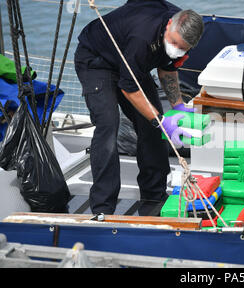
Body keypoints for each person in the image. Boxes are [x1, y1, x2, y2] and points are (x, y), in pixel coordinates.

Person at [74, 0, 204, 216]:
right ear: (169, 25)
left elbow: (167, 68)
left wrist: (179, 106)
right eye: (173, 43)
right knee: (108, 125)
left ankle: (154, 197)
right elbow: (128, 86)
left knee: (151, 128)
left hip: (134, 63)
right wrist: (160, 121)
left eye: (182, 48)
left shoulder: (177, 32)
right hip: (97, 61)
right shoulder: (142, 36)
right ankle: (102, 208)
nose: (176, 50)